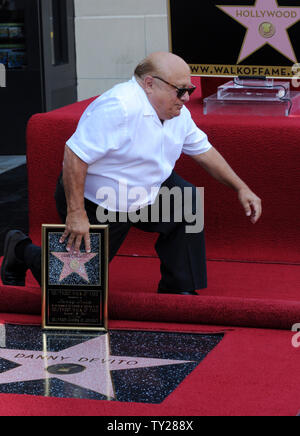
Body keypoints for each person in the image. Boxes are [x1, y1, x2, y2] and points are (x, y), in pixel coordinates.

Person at [1, 52, 262, 295]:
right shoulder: (118, 107)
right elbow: (74, 156)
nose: (186, 98)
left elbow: (203, 150)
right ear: (150, 84)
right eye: (180, 90)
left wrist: (241, 187)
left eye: (189, 89)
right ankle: (20, 249)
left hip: (146, 190)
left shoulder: (176, 111)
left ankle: (179, 290)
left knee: (186, 200)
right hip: (99, 201)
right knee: (73, 287)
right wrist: (76, 213)